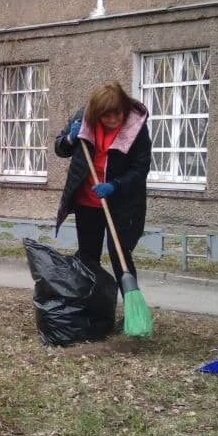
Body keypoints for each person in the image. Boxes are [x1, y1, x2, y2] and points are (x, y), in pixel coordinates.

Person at [53, 81, 152, 289]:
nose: (113, 120)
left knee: (120, 256)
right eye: (107, 116)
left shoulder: (136, 127)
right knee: (88, 257)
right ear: (97, 114)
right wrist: (70, 138)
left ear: (124, 108)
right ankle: (93, 308)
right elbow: (60, 148)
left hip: (121, 203)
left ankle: (132, 309)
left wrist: (115, 185)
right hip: (87, 202)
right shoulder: (83, 119)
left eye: (118, 114)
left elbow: (141, 168)